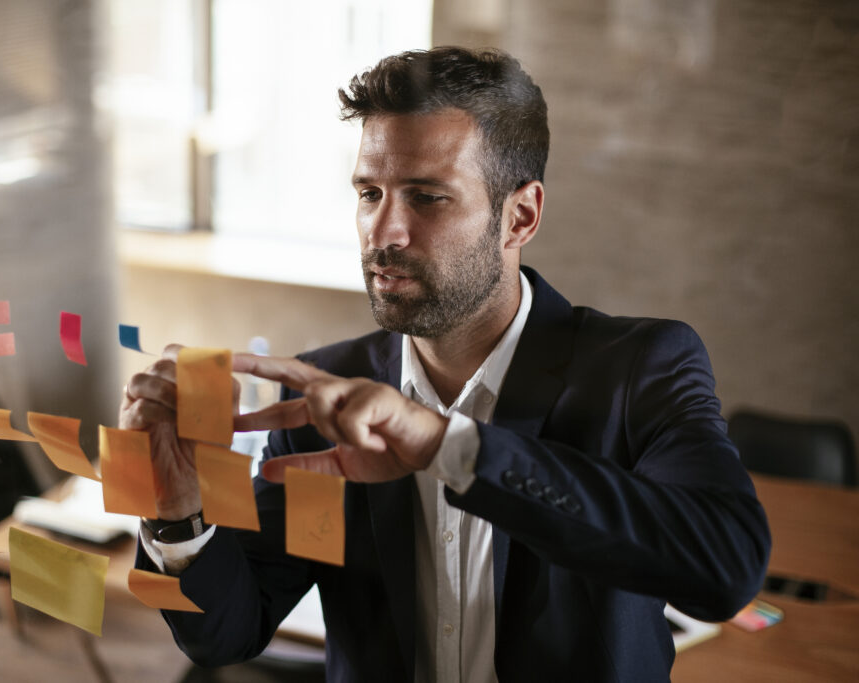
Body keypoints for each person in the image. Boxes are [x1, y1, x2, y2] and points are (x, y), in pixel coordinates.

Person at [121, 46, 771, 682]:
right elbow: (229, 632)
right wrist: (178, 512)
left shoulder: (637, 370)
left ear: (520, 216)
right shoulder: (325, 394)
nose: (384, 232)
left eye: (427, 197)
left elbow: (724, 567)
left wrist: (446, 445)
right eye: (370, 193)